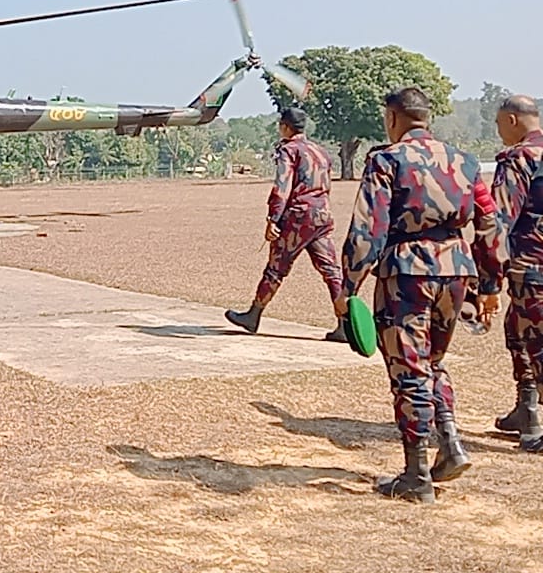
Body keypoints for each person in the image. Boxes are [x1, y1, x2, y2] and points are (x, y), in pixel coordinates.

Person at [335, 86, 504, 502]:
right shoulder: (465, 161)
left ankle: (416, 475)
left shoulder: (386, 160)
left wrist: (348, 286)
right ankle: (450, 445)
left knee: (408, 369)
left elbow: (368, 228)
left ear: (392, 118)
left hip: (407, 271)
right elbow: (488, 222)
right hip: (456, 269)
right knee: (432, 361)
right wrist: (489, 285)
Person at [226, 108, 343, 339]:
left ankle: (253, 315)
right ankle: (345, 324)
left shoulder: (289, 150)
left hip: (297, 218)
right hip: (322, 216)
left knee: (276, 268)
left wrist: (273, 218)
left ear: (285, 127)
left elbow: (283, 187)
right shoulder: (320, 151)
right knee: (331, 271)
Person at [488, 95, 543, 450]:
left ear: (512, 120)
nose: (499, 132)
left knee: (536, 341)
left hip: (532, 267)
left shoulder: (520, 158)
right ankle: (526, 409)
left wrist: (488, 277)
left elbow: (499, 219)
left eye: (498, 124)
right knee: (516, 330)